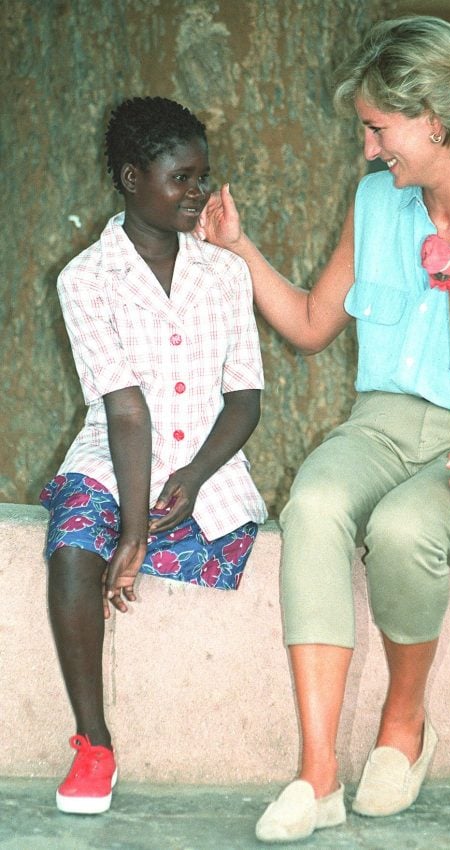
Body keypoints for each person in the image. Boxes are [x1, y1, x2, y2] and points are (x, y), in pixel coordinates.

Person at [199, 15, 450, 844]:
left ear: (435, 120)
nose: (369, 150)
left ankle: (404, 727)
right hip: (380, 426)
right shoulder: (375, 202)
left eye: (379, 129)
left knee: (408, 526)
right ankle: (318, 775)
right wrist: (239, 249)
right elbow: (306, 323)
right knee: (317, 500)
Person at [40, 96, 266, 815]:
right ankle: (94, 742)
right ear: (133, 178)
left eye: (203, 177)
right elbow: (126, 411)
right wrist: (131, 529)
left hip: (204, 460)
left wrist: (195, 478)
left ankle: (156, 524)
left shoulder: (225, 275)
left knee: (213, 542)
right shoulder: (85, 280)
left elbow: (245, 400)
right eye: (182, 178)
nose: (198, 193)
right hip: (116, 452)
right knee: (77, 546)